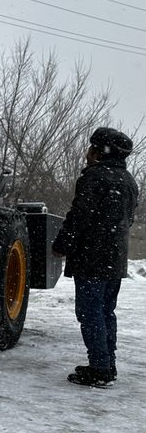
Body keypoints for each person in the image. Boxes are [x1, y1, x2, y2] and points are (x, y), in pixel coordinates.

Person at [52, 127, 138, 386]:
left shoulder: (95, 177)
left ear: (100, 152)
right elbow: (128, 220)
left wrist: (62, 244)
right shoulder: (129, 181)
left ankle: (99, 367)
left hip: (91, 258)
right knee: (106, 311)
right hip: (115, 258)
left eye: (91, 148)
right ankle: (108, 363)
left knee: (90, 312)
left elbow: (79, 215)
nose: (87, 153)